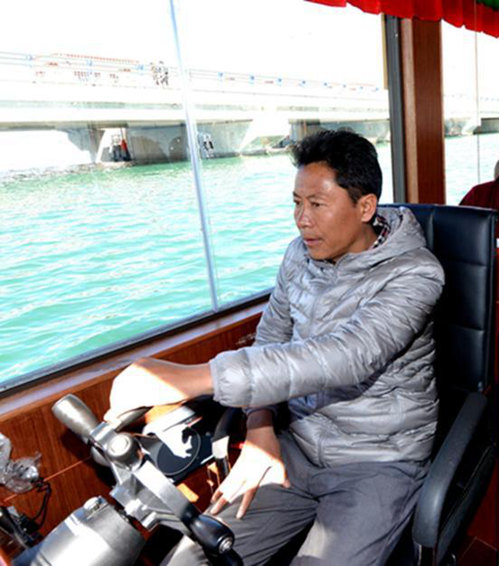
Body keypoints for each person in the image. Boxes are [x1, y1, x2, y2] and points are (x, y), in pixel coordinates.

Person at [105, 130, 445, 565]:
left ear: (365, 207)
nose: (302, 220)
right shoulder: (298, 256)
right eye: (296, 203)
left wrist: (191, 378)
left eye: (317, 205)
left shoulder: (416, 274)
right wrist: (261, 428)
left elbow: (348, 356)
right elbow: (271, 340)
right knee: (195, 556)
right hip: (298, 444)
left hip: (378, 461)